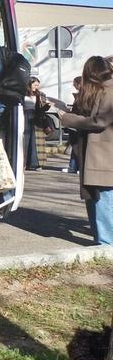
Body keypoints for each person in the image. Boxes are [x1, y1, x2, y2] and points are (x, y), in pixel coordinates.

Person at [58, 56, 113, 245]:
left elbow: (100, 121)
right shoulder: (103, 89)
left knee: (103, 199)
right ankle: (103, 243)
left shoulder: (109, 90)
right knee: (97, 197)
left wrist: (68, 119)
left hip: (104, 156)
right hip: (99, 154)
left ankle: (106, 246)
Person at [24, 77, 47, 170]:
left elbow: (41, 109)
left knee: (34, 141)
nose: (36, 87)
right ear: (29, 84)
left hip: (35, 117)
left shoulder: (40, 94)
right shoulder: (23, 93)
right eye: (35, 85)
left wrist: (47, 106)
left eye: (38, 85)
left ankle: (33, 163)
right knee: (25, 139)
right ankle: (23, 162)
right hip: (24, 115)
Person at [69, 76, 83, 174]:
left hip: (77, 123)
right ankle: (73, 166)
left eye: (75, 83)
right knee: (74, 145)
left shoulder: (82, 95)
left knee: (76, 145)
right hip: (75, 122)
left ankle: (75, 166)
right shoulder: (79, 94)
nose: (73, 85)